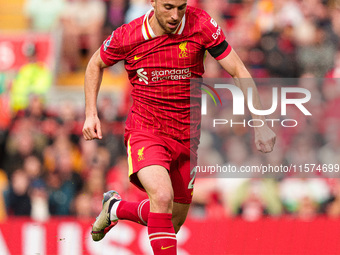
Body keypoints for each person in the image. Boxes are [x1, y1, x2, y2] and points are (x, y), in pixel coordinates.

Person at [82, 0, 276, 254]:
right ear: (152, 2)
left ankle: (116, 208)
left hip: (186, 137)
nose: (175, 15)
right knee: (162, 198)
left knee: (171, 223)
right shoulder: (128, 35)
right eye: (168, 7)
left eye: (181, 7)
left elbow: (238, 70)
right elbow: (94, 64)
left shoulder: (201, 25)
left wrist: (260, 122)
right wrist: (90, 114)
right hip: (146, 130)